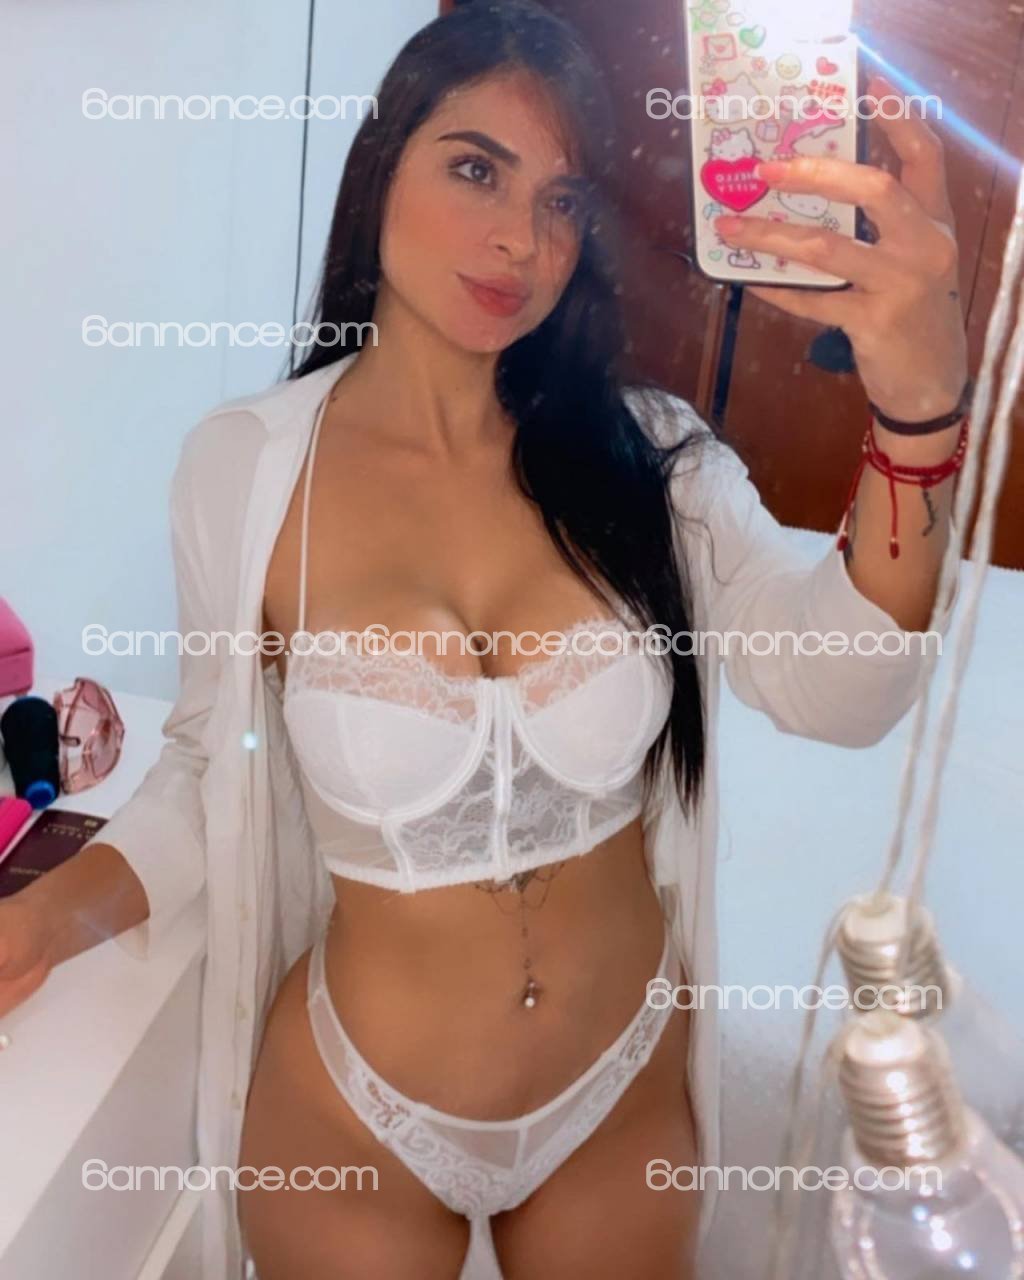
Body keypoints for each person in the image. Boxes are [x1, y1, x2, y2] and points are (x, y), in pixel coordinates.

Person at [0, 3, 968, 1277]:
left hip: (620, 1093)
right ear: (381, 164)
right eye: (475, 169)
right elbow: (205, 763)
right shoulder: (244, 469)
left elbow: (844, 695)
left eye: (562, 200)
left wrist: (916, 412)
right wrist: (45, 918)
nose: (521, 238)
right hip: (352, 1111)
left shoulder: (653, 458)